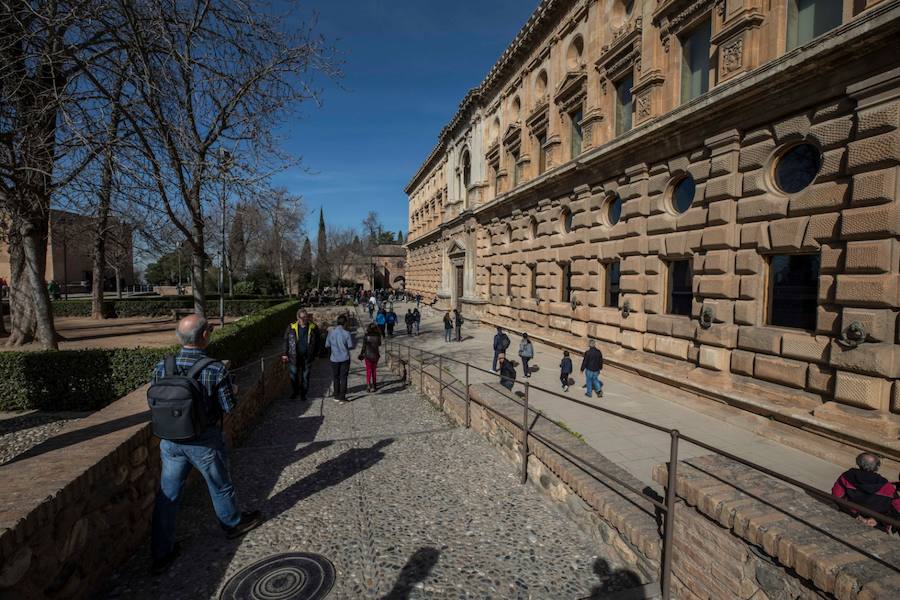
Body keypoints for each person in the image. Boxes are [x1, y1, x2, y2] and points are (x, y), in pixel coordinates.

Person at [149, 315, 263, 574]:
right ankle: (232, 524)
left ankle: (161, 550)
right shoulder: (214, 369)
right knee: (220, 486)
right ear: (204, 336)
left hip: (170, 441)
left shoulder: (161, 366)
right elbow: (228, 407)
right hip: (204, 441)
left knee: (168, 495)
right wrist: (232, 391)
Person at [832, 453, 900, 530]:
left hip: (849, 517)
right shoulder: (886, 486)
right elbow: (897, 508)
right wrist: (878, 520)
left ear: (858, 463)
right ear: (876, 467)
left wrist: (856, 514)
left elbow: (837, 496)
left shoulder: (847, 476)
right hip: (875, 526)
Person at [281, 309, 318, 401]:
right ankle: (295, 392)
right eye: (303, 317)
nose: (305, 319)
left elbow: (318, 342)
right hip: (294, 356)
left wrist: (316, 354)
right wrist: (284, 353)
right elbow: (286, 341)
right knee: (294, 376)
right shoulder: (291, 327)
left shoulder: (313, 327)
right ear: (298, 317)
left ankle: (303, 394)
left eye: (306, 317)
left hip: (307, 357)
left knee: (305, 377)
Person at [325, 314, 355, 403]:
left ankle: (336, 395)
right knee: (344, 377)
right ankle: (342, 396)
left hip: (334, 358)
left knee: (335, 377)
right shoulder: (347, 333)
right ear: (345, 323)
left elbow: (327, 345)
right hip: (344, 358)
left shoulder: (331, 332)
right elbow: (350, 346)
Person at [359, 323, 382, 393]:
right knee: (374, 370)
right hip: (375, 355)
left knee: (368, 370)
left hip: (368, 355)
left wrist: (361, 353)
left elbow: (363, 346)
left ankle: (368, 385)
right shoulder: (378, 335)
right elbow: (379, 344)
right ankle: (374, 385)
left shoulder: (366, 336)